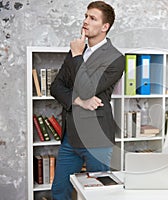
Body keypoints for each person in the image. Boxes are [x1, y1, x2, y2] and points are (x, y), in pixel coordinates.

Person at [50, 1, 124, 199]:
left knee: (97, 193)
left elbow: (88, 88)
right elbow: (56, 87)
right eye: (85, 16)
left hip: (97, 138)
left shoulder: (116, 58)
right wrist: (79, 102)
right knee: (59, 190)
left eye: (92, 18)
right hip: (71, 136)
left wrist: (76, 55)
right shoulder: (77, 50)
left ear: (104, 27)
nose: (85, 22)